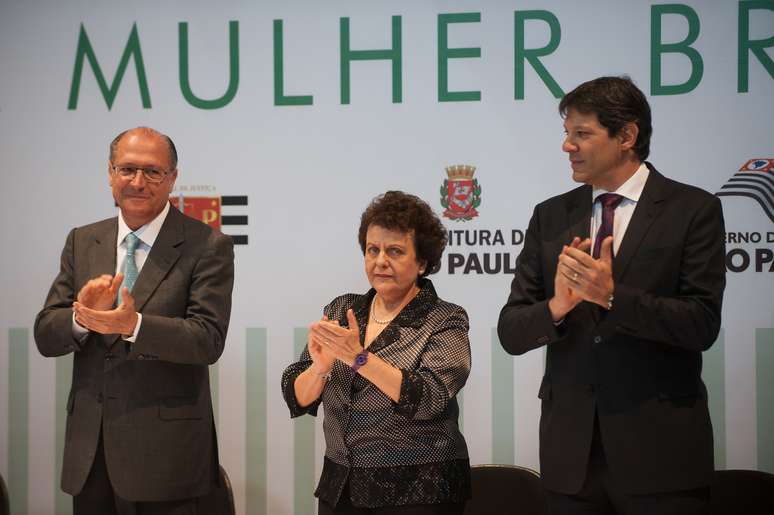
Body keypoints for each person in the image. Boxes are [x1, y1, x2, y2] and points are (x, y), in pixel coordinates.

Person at [497, 77, 726, 515]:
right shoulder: (551, 215)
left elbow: (701, 323)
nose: (568, 146)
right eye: (567, 134)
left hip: (662, 460)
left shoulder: (692, 210)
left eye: (581, 134)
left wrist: (612, 297)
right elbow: (511, 331)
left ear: (627, 136)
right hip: (571, 464)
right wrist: (559, 306)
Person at [34, 127, 235, 515]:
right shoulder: (82, 240)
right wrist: (83, 317)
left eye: (153, 172)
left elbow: (207, 339)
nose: (138, 182)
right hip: (90, 456)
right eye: (127, 169)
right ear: (110, 173)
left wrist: (133, 324)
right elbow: (46, 334)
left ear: (173, 178)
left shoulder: (207, 245)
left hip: (166, 458)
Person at [281, 191, 471, 514]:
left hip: (419, 491)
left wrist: (359, 358)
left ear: (422, 262)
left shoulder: (445, 318)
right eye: (373, 250)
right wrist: (321, 368)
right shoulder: (343, 308)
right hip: (340, 489)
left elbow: (428, 398)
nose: (380, 260)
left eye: (395, 251)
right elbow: (297, 395)